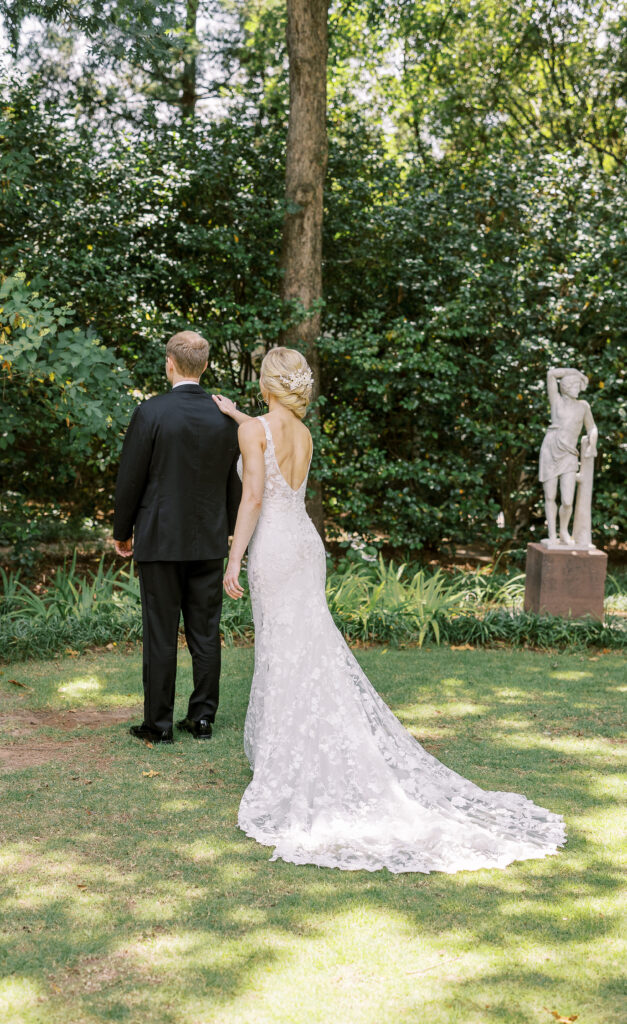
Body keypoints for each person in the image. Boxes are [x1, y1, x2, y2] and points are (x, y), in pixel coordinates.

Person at [213, 346, 566, 873]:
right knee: (306, 645)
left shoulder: (254, 431)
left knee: (283, 649)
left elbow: (254, 498)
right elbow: (268, 442)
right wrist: (238, 416)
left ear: (265, 386)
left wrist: (233, 559)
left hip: (274, 549)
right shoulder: (302, 434)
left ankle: (290, 762)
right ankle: (302, 748)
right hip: (306, 549)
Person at [113, 331, 242, 744]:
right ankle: (202, 719)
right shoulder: (225, 415)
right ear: (204, 366)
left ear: (169, 363)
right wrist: (232, 530)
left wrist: (122, 532)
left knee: (160, 632)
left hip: (159, 540)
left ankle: (159, 726)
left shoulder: (150, 413)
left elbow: (129, 480)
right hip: (209, 541)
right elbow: (234, 483)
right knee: (206, 632)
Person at [539, 367, 598, 545]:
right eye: (572, 384)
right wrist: (575, 372)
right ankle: (552, 534)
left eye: (577, 384)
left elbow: (592, 428)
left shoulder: (583, 406)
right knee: (550, 496)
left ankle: (563, 530)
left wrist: (592, 445)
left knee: (567, 500)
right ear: (564, 387)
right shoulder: (556, 401)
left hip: (569, 454)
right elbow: (550, 374)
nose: (576, 387)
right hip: (550, 450)